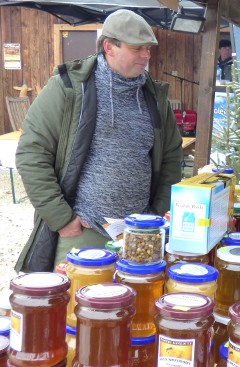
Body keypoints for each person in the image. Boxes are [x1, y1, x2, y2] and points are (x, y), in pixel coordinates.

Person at [15, 9, 183, 272]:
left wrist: (156, 214)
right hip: (84, 232)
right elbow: (32, 154)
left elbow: (172, 156)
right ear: (109, 46)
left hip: (138, 233)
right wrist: (62, 218)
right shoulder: (69, 88)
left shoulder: (153, 96)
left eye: (148, 49)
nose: (146, 56)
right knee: (76, 308)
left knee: (131, 309)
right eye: (138, 48)